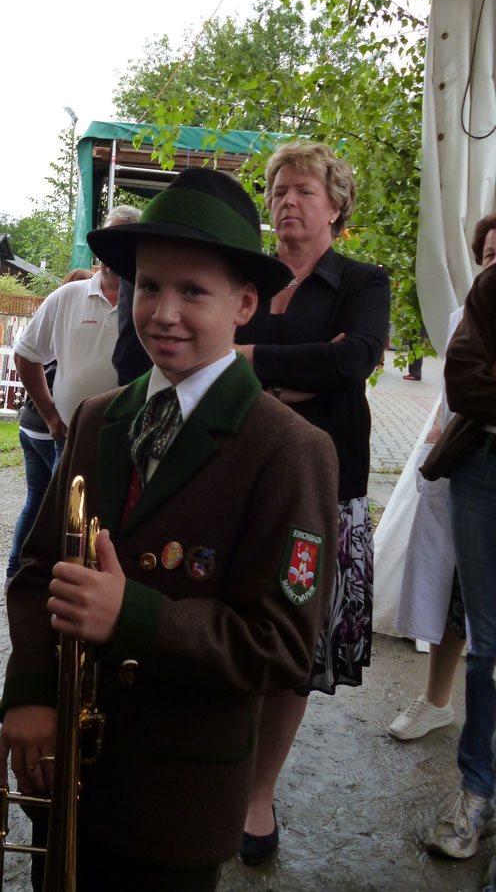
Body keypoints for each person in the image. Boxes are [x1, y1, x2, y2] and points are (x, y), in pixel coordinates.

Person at [0, 168, 339, 892]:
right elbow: (35, 570)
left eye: (194, 292)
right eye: (149, 286)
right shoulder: (98, 416)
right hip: (66, 769)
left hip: (174, 798)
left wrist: (134, 616)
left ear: (245, 303)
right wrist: (28, 691)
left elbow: (283, 645)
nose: (164, 312)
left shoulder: (289, 449)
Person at [233, 140, 390, 862]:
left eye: (303, 189)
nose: (287, 201)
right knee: (230, 624)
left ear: (335, 205)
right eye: (277, 190)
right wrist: (302, 374)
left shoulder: (361, 280)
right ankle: (220, 767)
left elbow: (354, 359)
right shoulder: (247, 276)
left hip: (324, 489)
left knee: (296, 641)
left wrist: (255, 361)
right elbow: (209, 354)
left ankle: (258, 793)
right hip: (237, 477)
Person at [388, 216, 496, 742]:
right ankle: (436, 700)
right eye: (490, 256)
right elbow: (459, 392)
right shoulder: (465, 315)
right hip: (470, 465)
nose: (495, 265)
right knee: (455, 589)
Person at [420, 216, 496, 862]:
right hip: (483, 471)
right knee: (486, 645)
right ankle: (477, 790)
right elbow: (465, 380)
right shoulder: (488, 291)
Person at [13, 205, 140, 467]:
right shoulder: (67, 296)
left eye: (123, 241)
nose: (113, 249)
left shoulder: (149, 302)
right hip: (71, 440)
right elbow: (25, 355)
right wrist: (50, 415)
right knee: (65, 497)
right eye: (108, 240)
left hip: (129, 444)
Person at [4, 268, 93, 591]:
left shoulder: (52, 327)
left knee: (35, 501)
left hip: (28, 426)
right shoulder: (66, 339)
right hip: (49, 429)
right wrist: (54, 417)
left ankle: (14, 570)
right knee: (58, 509)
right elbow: (30, 361)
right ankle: (44, 577)